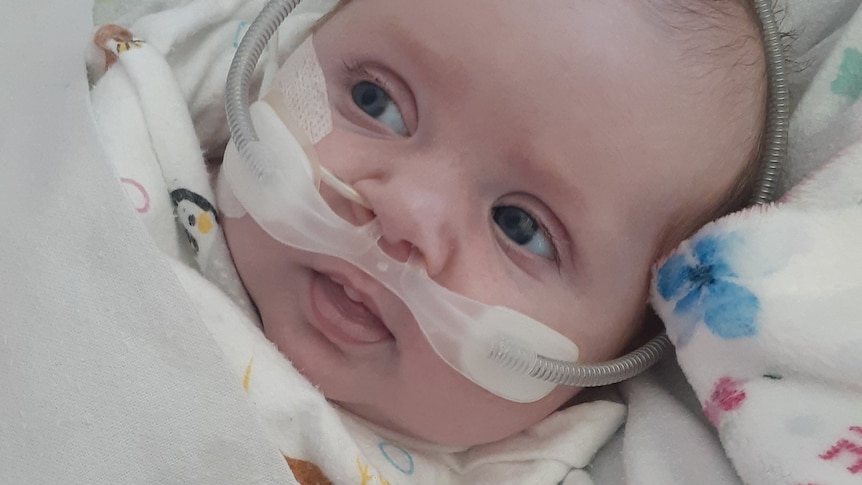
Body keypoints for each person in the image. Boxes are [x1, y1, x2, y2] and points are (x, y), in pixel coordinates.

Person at [87, 0, 768, 481]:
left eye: (521, 227)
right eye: (376, 101)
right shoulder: (126, 133)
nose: (405, 214)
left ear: (617, 356)